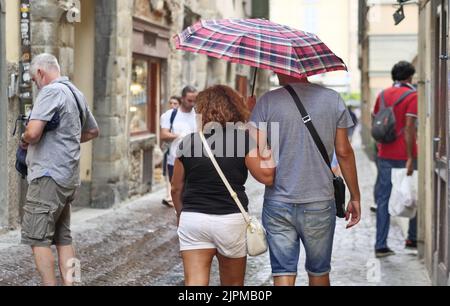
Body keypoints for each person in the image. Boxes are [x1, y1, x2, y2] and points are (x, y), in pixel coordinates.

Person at [249, 73, 361, 287]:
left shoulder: (267, 101)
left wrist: (252, 114)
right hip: (319, 201)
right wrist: (355, 196)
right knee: (319, 272)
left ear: (286, 69)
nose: (274, 72)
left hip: (278, 202)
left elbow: (257, 151)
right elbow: (344, 152)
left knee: (283, 273)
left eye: (277, 68)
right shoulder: (333, 99)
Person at [172, 85, 276, 286]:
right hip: (230, 220)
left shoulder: (188, 142)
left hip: (193, 219)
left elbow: (176, 188)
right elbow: (267, 176)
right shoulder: (243, 140)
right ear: (235, 109)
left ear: (201, 109)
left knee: (194, 284)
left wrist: (180, 214)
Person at [20, 53, 99, 286]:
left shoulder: (51, 91)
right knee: (64, 237)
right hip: (68, 178)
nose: (36, 84)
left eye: (35, 80)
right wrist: (66, 140)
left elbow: (33, 133)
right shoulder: (75, 93)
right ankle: (72, 284)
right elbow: (93, 131)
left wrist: (25, 138)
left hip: (48, 176)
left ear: (41, 73)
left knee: (38, 238)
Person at [373, 61, 418, 257]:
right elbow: (409, 128)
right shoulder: (413, 95)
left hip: (384, 153)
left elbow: (375, 120)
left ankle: (380, 244)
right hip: (404, 154)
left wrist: (380, 147)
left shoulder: (383, 94)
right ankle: (412, 238)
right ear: (410, 77)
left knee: (383, 199)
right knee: (412, 195)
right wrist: (410, 157)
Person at [160, 88, 198, 207]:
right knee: (176, 191)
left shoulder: (198, 115)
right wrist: (180, 136)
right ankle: (179, 216)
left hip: (194, 161)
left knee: (191, 193)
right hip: (175, 160)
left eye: (194, 101)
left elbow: (202, 135)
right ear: (182, 99)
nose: (192, 104)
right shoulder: (170, 115)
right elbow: (163, 134)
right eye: (189, 100)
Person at [160, 96, 182, 206]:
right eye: (171, 103)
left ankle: (173, 198)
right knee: (168, 173)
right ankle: (169, 196)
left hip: (181, 152)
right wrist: (177, 135)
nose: (173, 106)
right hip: (169, 150)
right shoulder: (166, 116)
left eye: (175, 103)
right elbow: (163, 133)